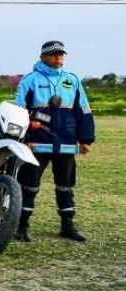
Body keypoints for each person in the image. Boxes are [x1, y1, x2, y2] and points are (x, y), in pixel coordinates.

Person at [15, 40, 95, 242]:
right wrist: (24, 139)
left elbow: (83, 110)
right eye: (53, 54)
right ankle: (21, 226)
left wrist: (86, 139)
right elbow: (19, 112)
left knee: (66, 186)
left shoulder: (72, 80)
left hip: (66, 144)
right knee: (28, 185)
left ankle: (67, 226)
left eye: (61, 54)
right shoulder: (30, 80)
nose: (58, 57)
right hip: (36, 144)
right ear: (43, 57)